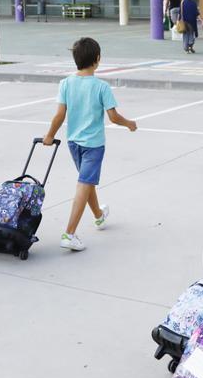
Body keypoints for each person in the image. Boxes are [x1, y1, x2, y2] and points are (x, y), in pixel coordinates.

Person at [42, 37, 138, 251]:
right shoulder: (101, 87)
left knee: (87, 181)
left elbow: (59, 115)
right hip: (93, 144)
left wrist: (49, 135)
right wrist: (130, 124)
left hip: (73, 142)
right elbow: (113, 117)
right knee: (84, 183)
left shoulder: (66, 83)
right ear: (97, 59)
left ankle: (99, 216)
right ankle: (69, 233)